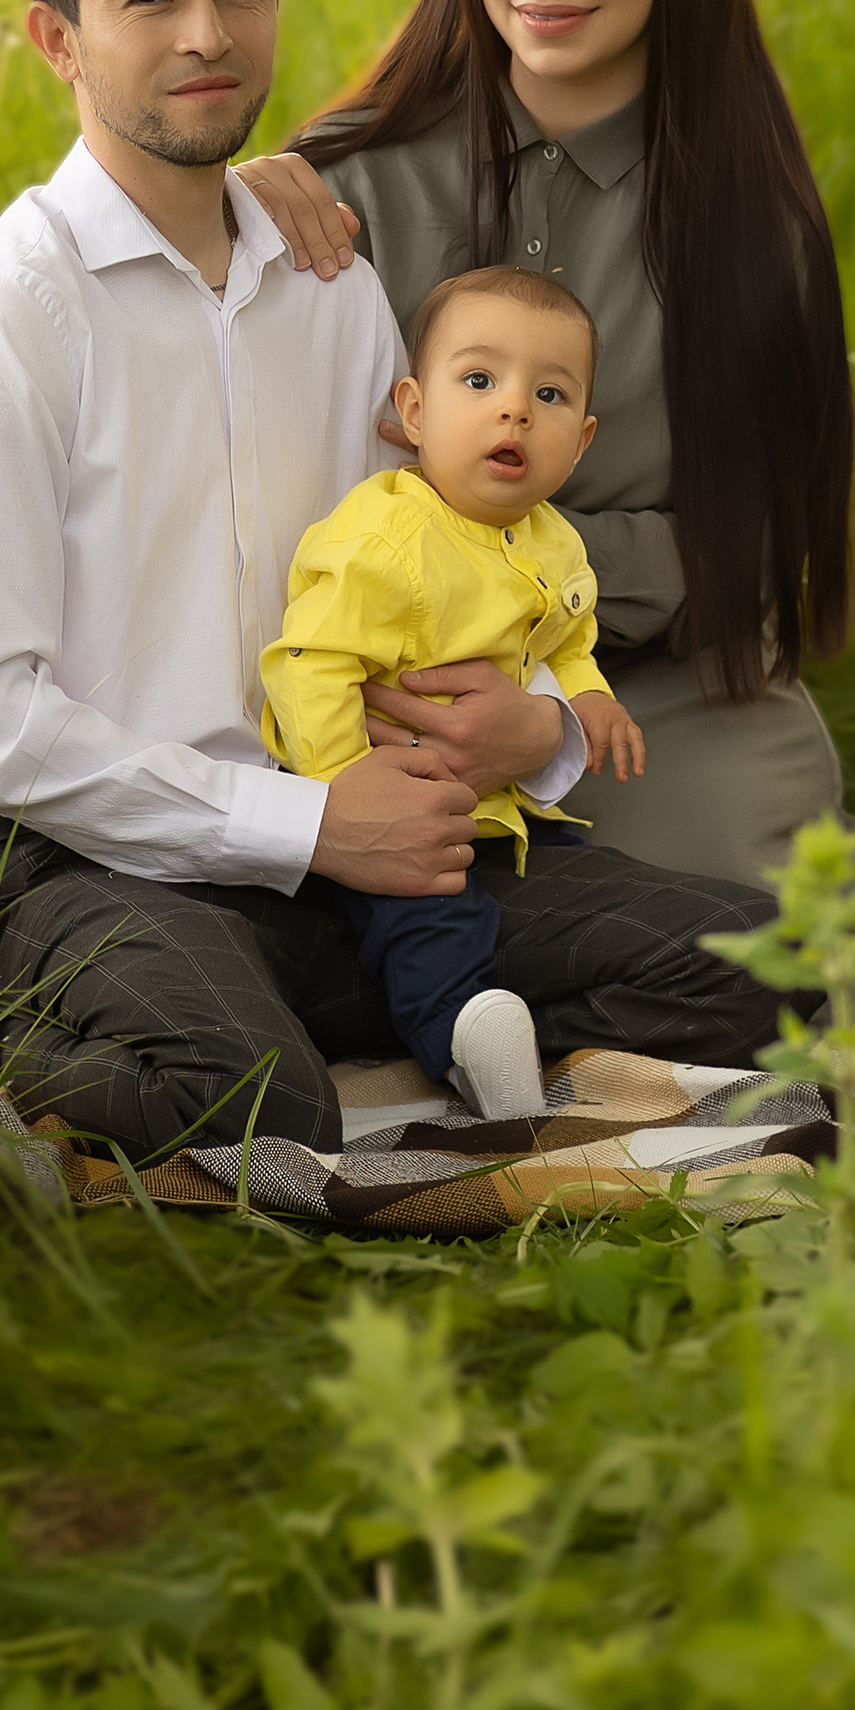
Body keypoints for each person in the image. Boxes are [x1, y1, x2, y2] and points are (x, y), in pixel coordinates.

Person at [0, 0, 787, 1183]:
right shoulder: (3, 323)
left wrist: (531, 732)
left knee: (758, 973)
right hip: (92, 860)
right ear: (56, 40)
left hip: (354, 850)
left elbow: (426, 571)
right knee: (264, 1111)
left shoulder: (327, 282)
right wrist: (307, 826)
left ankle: (334, 1012)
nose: (206, 35)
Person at [243, 0, 855, 962]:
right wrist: (219, 201)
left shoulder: (749, 223)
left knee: (767, 941)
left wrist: (544, 717)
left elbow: (743, 548)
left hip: (653, 689)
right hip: (380, 684)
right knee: (389, 929)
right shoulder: (348, 184)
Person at [262, 264, 644, 1122]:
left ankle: (518, 1019)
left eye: (548, 395)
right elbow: (307, 661)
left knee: (567, 895)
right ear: (415, 411)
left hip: (502, 813)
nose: (514, 409)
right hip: (382, 812)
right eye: (480, 381)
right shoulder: (387, 538)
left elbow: (569, 639)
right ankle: (470, 1045)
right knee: (430, 919)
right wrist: (340, 783)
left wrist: (589, 704)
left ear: (579, 442)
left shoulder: (553, 543)